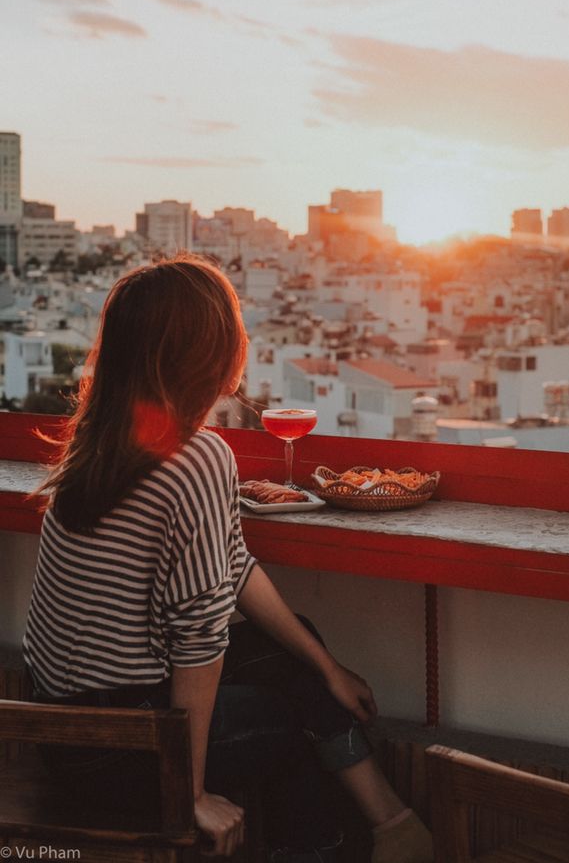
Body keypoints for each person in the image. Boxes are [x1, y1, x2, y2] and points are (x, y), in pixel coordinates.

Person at [22, 255, 432, 863]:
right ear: (210, 350)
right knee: (289, 721)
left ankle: (393, 827)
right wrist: (184, 795)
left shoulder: (100, 440)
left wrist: (328, 668)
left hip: (61, 728)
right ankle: (355, 842)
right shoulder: (198, 457)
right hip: (121, 744)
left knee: (302, 653)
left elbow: (232, 568)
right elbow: (198, 644)